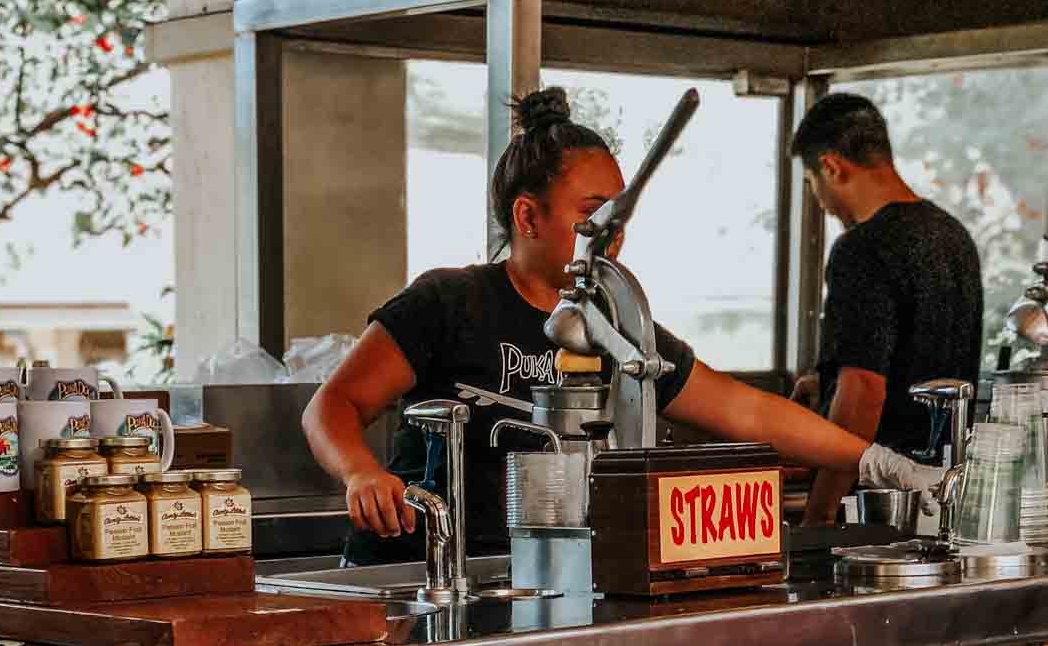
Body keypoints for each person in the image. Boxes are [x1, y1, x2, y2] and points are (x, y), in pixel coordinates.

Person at [304, 87, 925, 562]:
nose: (613, 233)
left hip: (539, 581)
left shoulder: (614, 324)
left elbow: (749, 411)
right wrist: (361, 471)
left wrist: (879, 462)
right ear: (528, 217)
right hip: (419, 575)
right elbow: (332, 406)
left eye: (619, 215)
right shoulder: (448, 302)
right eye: (592, 214)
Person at [789, 92, 983, 525]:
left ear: (832, 167)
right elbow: (925, 354)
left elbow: (864, 392)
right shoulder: (954, 237)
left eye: (812, 184)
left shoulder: (861, 249)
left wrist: (820, 514)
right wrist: (827, 382)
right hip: (945, 490)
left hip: (877, 505)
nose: (820, 201)